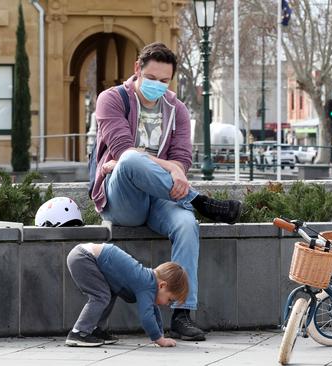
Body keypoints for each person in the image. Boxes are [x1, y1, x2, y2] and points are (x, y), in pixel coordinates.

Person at [90, 42, 242, 341]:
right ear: (137, 69)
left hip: (162, 196)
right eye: (152, 78)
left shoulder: (177, 109)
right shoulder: (111, 99)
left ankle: (182, 314)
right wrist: (170, 168)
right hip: (124, 201)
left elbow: (183, 159)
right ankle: (199, 200)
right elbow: (122, 151)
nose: (158, 86)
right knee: (132, 158)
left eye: (164, 81)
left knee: (187, 224)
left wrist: (176, 168)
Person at [65, 242, 189, 348]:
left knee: (109, 294)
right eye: (170, 299)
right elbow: (147, 316)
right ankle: (78, 332)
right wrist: (159, 340)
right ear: (162, 285)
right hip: (84, 257)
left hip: (87, 255)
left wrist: (160, 334)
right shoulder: (146, 285)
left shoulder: (150, 282)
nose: (167, 304)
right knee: (101, 296)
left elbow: (154, 311)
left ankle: (96, 330)